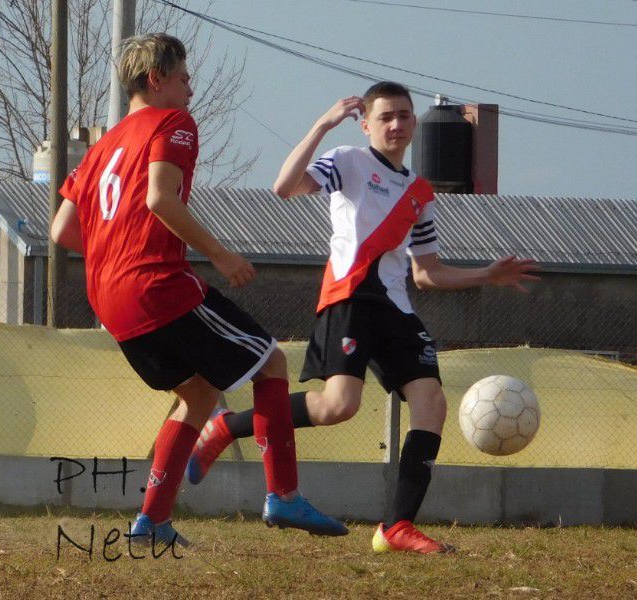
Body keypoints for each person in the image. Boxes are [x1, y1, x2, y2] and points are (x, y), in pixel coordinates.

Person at [186, 82, 540, 554]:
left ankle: (396, 527)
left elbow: (427, 272)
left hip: (395, 307)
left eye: (405, 116)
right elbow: (284, 187)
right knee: (339, 407)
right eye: (387, 116)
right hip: (349, 298)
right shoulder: (348, 160)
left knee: (431, 402)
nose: (397, 125)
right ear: (366, 124)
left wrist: (487, 275)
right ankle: (227, 426)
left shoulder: (420, 192)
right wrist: (320, 126)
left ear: (414, 123)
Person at [50, 33, 347, 549]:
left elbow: (61, 232)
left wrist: (114, 248)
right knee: (271, 363)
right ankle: (283, 495)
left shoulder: (100, 146)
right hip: (155, 285)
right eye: (184, 77)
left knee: (198, 395)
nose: (191, 89)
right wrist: (222, 255)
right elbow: (161, 199)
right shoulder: (173, 124)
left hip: (110, 299)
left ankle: (152, 521)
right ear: (156, 80)